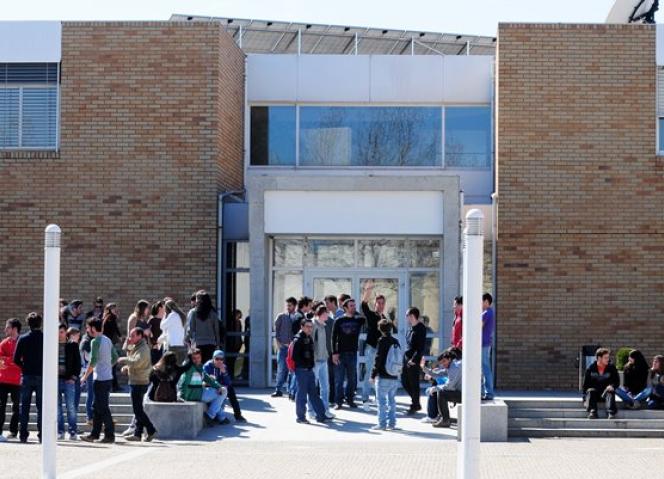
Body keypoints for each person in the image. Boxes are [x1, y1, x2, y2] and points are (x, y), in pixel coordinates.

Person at [81, 318, 118, 443]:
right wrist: (107, 366)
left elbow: (93, 361)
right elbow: (115, 357)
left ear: (92, 328)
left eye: (88, 327)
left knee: (102, 407)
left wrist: (85, 377)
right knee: (97, 406)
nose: (87, 330)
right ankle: (94, 434)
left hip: (100, 379)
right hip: (107, 378)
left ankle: (110, 435)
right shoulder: (107, 340)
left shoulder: (95, 342)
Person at [118, 328, 157, 441]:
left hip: (139, 382)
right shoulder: (137, 346)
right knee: (138, 409)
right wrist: (127, 366)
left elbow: (137, 362)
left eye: (133, 336)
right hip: (136, 380)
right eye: (130, 336)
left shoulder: (143, 349)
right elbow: (132, 357)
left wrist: (124, 360)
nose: (130, 338)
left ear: (140, 336)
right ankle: (137, 434)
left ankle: (151, 430)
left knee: (138, 410)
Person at [178, 348, 228, 426]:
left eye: (198, 357)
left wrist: (218, 387)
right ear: (190, 359)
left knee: (222, 390)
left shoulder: (199, 367)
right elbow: (182, 383)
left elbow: (208, 379)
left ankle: (213, 416)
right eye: (194, 358)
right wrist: (180, 396)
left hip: (200, 393)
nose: (197, 360)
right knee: (223, 393)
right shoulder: (188, 368)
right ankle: (212, 416)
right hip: (192, 396)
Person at [14, 312, 43, 443]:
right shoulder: (45, 338)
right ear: (40, 323)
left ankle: (23, 434)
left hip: (27, 375)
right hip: (42, 375)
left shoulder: (23, 338)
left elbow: (16, 359)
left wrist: (24, 367)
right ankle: (42, 434)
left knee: (24, 406)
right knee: (41, 406)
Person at [361, 282, 390, 410]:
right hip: (372, 349)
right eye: (379, 303)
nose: (381, 305)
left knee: (379, 375)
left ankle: (378, 398)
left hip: (381, 350)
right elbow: (363, 305)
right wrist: (368, 290)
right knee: (369, 373)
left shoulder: (384, 317)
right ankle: (365, 399)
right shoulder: (372, 315)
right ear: (375, 304)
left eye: (383, 303)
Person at [292, 319, 327, 424]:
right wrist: (305, 365)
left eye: (311, 327)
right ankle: (301, 417)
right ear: (302, 327)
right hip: (301, 371)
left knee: (314, 393)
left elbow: (311, 355)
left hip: (309, 370)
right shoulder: (298, 339)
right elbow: (295, 357)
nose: (310, 329)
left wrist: (310, 365)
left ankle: (321, 415)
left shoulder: (309, 338)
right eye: (307, 326)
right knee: (301, 395)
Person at [331, 298, 365, 410]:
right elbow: (333, 338)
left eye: (354, 305)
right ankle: (338, 402)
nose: (354, 307)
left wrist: (357, 309)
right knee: (339, 379)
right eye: (351, 306)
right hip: (340, 354)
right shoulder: (338, 321)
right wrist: (334, 353)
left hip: (352, 354)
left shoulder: (358, 320)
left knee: (352, 379)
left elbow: (366, 316)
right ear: (345, 308)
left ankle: (350, 399)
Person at [370, 319, 401, 431]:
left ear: (380, 329)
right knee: (392, 401)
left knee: (382, 402)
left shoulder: (382, 340)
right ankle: (392, 424)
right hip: (394, 375)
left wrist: (373, 375)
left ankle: (382, 424)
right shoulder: (396, 341)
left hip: (383, 376)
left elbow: (378, 359)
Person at [203, 350, 247, 422]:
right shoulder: (207, 366)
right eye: (217, 359)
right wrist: (215, 385)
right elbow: (204, 380)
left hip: (220, 386)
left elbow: (228, 382)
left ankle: (238, 415)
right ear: (213, 358)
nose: (219, 361)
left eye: (221, 359)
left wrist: (224, 373)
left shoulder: (224, 367)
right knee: (219, 396)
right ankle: (217, 417)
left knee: (231, 390)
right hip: (211, 386)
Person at [307, 305, 334, 419]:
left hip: (324, 360)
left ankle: (325, 410)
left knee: (325, 387)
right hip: (315, 361)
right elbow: (310, 343)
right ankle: (311, 411)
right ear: (321, 314)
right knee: (313, 387)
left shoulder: (323, 325)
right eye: (326, 313)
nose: (328, 315)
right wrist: (312, 359)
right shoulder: (313, 325)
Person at [57, 323, 81, 440]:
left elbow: (78, 363)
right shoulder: (52, 345)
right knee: (57, 408)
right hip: (55, 381)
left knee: (70, 407)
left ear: (66, 332)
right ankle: (60, 431)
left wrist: (73, 378)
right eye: (57, 332)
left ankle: (72, 431)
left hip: (68, 381)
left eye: (61, 332)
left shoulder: (72, 345)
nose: (59, 335)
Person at [0, 318, 22, 441]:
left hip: (17, 380)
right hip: (2, 380)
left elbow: (23, 360)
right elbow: (0, 360)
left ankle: (13, 432)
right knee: (0, 406)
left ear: (14, 329)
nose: (5, 329)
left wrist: (8, 361)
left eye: (7, 327)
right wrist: (14, 361)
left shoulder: (22, 342)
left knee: (16, 407)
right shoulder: (4, 343)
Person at [583, 347, 619, 419]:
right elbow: (585, 385)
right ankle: (593, 412)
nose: (608, 359)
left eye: (608, 357)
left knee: (610, 391)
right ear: (599, 358)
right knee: (591, 390)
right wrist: (584, 399)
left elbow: (617, 381)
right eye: (605, 358)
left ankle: (611, 413)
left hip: (606, 393)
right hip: (594, 394)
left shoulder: (612, 367)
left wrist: (612, 386)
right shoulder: (590, 368)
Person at [185, 291, 221, 363]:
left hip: (198, 344)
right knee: (208, 365)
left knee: (199, 365)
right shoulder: (213, 313)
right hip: (211, 344)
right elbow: (216, 329)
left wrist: (186, 339)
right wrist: (218, 343)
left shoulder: (194, 312)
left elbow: (191, 328)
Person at [402, 306, 426, 415]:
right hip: (406, 358)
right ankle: (416, 402)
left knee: (414, 383)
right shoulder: (410, 328)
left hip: (413, 360)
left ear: (412, 316)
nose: (406, 318)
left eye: (407, 315)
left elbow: (420, 347)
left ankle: (415, 404)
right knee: (404, 381)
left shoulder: (420, 328)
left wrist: (414, 359)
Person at [272, 297, 296, 398]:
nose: (288, 307)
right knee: (281, 369)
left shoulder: (297, 317)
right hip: (283, 347)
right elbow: (276, 331)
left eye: (290, 305)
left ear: (294, 306)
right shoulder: (281, 316)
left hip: (293, 348)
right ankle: (278, 389)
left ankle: (291, 390)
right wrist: (278, 343)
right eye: (287, 305)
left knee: (292, 370)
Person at [431, 350, 462, 428]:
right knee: (441, 392)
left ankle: (445, 420)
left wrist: (435, 388)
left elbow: (449, 386)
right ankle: (444, 418)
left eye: (444, 361)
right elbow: (438, 373)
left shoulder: (454, 368)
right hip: (464, 392)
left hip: (468, 395)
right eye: (441, 363)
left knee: (442, 393)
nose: (443, 364)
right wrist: (424, 368)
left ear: (449, 359)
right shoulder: (451, 366)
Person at [158, 300, 188, 364]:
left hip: (173, 346)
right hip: (181, 345)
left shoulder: (172, 315)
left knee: (171, 367)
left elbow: (162, 326)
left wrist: (164, 315)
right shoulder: (181, 315)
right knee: (180, 367)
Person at [102, 304, 123, 392]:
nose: (115, 310)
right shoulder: (111, 317)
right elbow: (115, 328)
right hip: (109, 344)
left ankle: (113, 385)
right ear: (109, 309)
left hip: (107, 344)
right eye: (113, 308)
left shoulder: (106, 317)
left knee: (111, 365)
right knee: (113, 364)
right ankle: (114, 386)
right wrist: (120, 336)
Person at [323, 295, 338, 404]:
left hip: (330, 353)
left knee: (331, 377)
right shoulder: (317, 323)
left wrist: (335, 352)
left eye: (327, 303)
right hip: (321, 354)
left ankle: (332, 398)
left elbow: (335, 338)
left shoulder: (332, 321)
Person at [79, 321, 95, 425]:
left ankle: (91, 416)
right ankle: (89, 416)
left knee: (92, 394)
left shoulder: (89, 339)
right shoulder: (86, 341)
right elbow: (89, 358)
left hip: (91, 370)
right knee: (91, 394)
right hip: (89, 371)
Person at [481, 293, 495, 400]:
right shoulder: (490, 312)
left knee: (485, 368)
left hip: (483, 344)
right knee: (484, 368)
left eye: (481, 301)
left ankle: (489, 392)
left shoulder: (486, 313)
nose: (480, 303)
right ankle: (485, 391)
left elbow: (478, 326)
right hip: (486, 343)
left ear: (486, 301)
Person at [66, 327, 82, 414]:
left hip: (73, 377)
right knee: (74, 402)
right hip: (73, 377)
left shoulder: (71, 345)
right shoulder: (73, 345)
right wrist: (74, 376)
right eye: (78, 336)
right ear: (72, 335)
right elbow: (77, 363)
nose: (79, 338)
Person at [225, 309, 243, 379]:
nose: (239, 316)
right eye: (238, 315)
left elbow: (239, 334)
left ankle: (232, 375)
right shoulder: (232, 323)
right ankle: (230, 375)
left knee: (233, 360)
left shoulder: (238, 322)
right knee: (230, 361)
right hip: (233, 344)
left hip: (237, 344)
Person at [147, 300, 165, 365]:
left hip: (164, 346)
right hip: (155, 347)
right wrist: (152, 344)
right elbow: (147, 331)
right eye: (164, 307)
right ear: (160, 308)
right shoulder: (152, 320)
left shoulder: (165, 320)